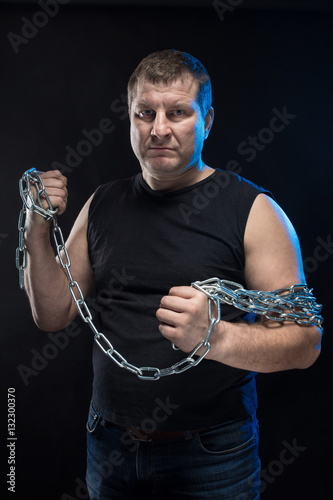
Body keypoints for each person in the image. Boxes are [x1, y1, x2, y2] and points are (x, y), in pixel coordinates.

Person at [23, 49, 322, 499]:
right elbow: (52, 314)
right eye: (146, 113)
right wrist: (36, 227)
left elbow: (305, 343)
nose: (159, 128)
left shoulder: (254, 211)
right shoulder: (102, 204)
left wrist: (216, 338)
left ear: (207, 120)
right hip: (108, 443)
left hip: (213, 453)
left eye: (178, 112)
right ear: (130, 118)